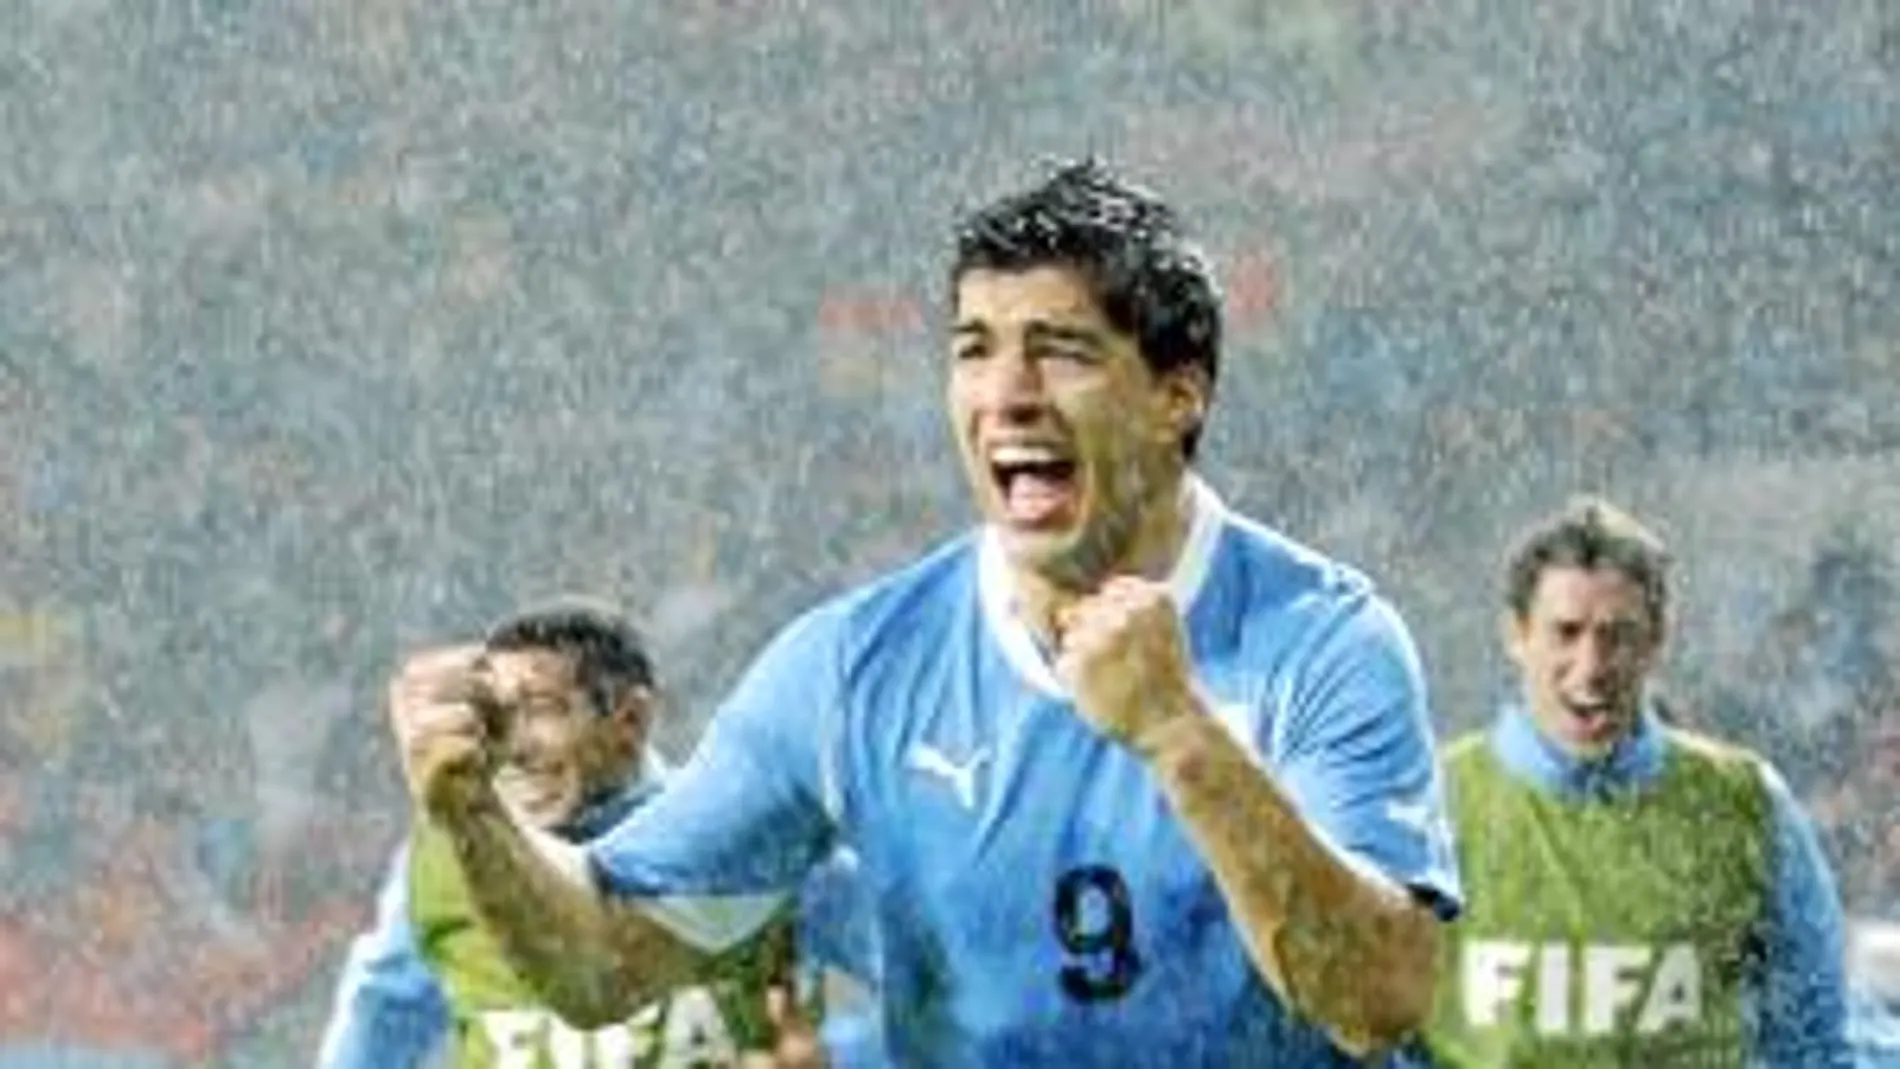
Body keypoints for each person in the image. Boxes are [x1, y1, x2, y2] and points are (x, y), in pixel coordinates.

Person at [386, 160, 1462, 1067]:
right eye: (974, 347)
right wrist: (473, 816)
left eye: (1063, 349)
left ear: (1178, 393)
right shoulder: (853, 666)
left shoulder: (1321, 642)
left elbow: (1375, 995)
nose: (1008, 392)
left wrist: (1178, 733)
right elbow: (604, 960)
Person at [320, 599, 880, 1068]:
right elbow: (382, 1014)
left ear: (630, 721)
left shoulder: (738, 836)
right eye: (496, 716)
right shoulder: (449, 858)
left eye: (540, 710)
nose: (512, 746)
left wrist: (842, 1057)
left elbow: (937, 972)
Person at [1422, 497, 1852, 1067]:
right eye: (1566, 632)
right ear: (1517, 634)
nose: (1592, 666)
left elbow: (1812, 1041)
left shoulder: (1746, 804)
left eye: (1617, 635)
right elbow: (1377, 1028)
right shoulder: (1433, 806)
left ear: (1657, 641)